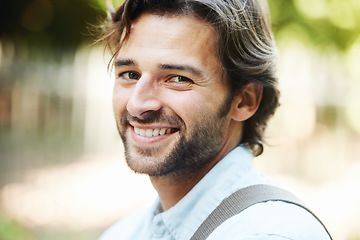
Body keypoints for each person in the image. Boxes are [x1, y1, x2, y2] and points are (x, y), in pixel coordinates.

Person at [99, 0, 332, 239]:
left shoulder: (271, 233)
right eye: (130, 74)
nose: (137, 105)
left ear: (244, 100)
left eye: (178, 79)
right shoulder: (125, 232)